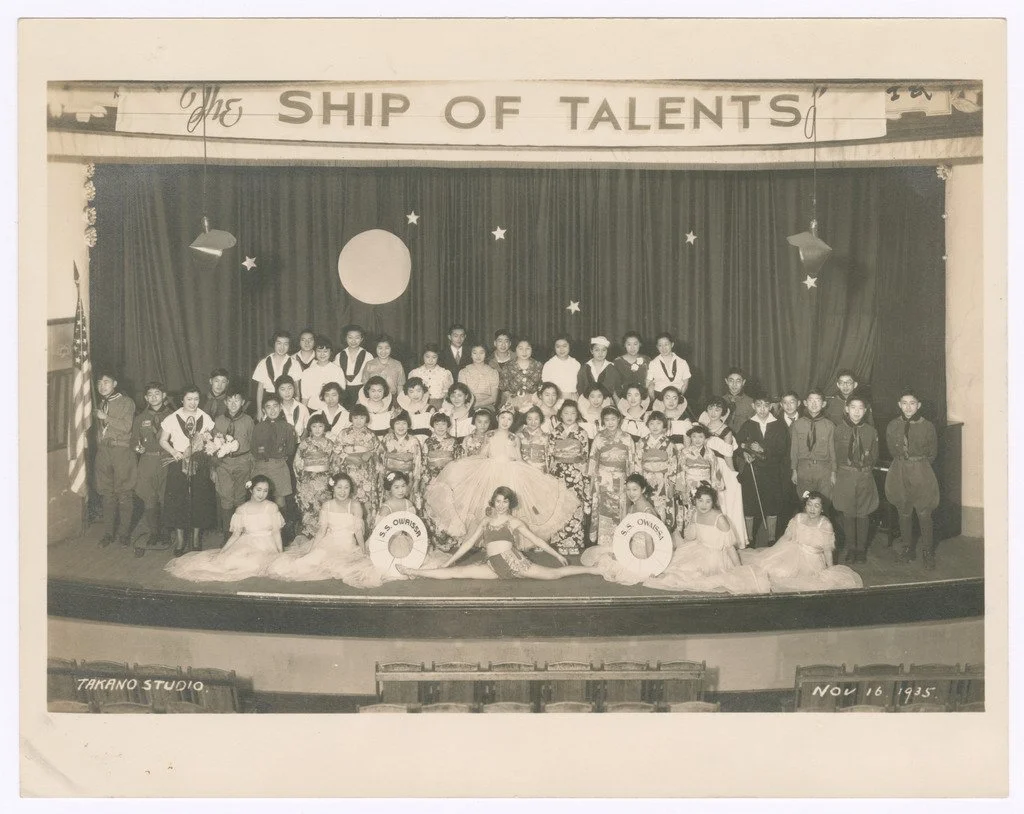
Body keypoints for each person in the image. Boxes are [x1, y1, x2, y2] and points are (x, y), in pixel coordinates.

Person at [423, 404, 579, 541]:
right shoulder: (489, 435)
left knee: (509, 504)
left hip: (511, 472)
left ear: (513, 422)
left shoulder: (514, 438)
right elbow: (483, 454)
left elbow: (519, 459)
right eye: (503, 418)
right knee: (488, 503)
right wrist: (464, 462)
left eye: (509, 419)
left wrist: (537, 473)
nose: (505, 422)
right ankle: (488, 537)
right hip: (490, 471)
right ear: (497, 418)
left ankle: (507, 536)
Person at [399, 487, 602, 581]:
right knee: (456, 572)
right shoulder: (486, 521)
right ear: (493, 502)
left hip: (514, 562)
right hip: (493, 565)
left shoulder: (514, 521)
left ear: (510, 503)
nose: (502, 505)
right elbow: (468, 544)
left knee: (553, 575)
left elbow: (536, 539)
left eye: (505, 501)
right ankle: (412, 572)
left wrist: (557, 555)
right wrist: (448, 562)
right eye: (498, 501)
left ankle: (595, 570)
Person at [266, 473, 389, 587]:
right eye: (339, 487)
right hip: (328, 542)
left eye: (346, 487)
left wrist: (363, 550)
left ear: (350, 489)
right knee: (305, 563)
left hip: (347, 545)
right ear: (333, 488)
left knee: (350, 569)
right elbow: (321, 531)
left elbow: (358, 531)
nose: (343, 491)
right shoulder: (327, 505)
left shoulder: (355, 505)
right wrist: (311, 549)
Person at [644, 485, 769, 594]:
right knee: (679, 566)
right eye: (700, 501)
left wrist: (739, 568)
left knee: (693, 574)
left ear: (713, 502)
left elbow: (730, 547)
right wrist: (683, 551)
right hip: (698, 548)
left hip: (715, 555)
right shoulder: (696, 514)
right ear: (695, 501)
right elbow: (690, 537)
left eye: (708, 501)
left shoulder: (719, 519)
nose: (703, 505)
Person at [165, 476, 284, 582]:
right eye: (258, 490)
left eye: (265, 491)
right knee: (230, 563)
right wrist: (222, 552)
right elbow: (236, 535)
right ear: (250, 489)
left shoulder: (271, 507)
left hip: (267, 544)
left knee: (261, 564)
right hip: (248, 543)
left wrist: (280, 552)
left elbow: (276, 533)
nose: (261, 494)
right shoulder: (242, 510)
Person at [740, 491, 863, 591]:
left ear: (822, 509)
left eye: (816, 506)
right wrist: (772, 553)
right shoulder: (799, 518)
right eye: (809, 504)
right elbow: (786, 537)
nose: (812, 509)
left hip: (812, 560)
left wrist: (829, 570)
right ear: (805, 506)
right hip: (793, 551)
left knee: (801, 580)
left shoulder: (825, 525)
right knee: (775, 570)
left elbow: (827, 551)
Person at [159, 384, 217, 556]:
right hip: (178, 463)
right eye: (189, 399)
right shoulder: (172, 418)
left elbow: (209, 439)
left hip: (199, 463)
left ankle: (196, 538)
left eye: (196, 399)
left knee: (198, 499)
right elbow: (163, 440)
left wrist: (204, 445)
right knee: (178, 500)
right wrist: (174, 452)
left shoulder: (204, 417)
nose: (193, 403)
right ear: (182, 399)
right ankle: (180, 539)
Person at [885, 390, 941, 568]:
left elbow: (932, 453)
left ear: (919, 405)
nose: (908, 407)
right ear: (899, 405)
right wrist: (904, 463)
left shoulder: (928, 426)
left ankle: (927, 552)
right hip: (899, 470)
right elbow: (892, 450)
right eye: (904, 403)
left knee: (924, 513)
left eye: (912, 403)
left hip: (921, 471)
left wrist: (918, 465)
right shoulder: (893, 425)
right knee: (904, 511)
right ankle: (907, 549)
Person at [734, 393, 790, 547]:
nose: (762, 409)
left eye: (766, 405)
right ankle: (750, 539)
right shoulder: (748, 424)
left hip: (772, 471)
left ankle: (771, 538)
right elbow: (737, 444)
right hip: (752, 471)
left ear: (771, 406)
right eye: (759, 405)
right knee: (750, 505)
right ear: (753, 406)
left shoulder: (779, 425)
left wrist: (762, 449)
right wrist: (744, 453)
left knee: (772, 504)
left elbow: (781, 449)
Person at [833, 394, 879, 563]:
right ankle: (851, 548)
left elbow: (875, 455)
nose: (857, 412)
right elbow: (835, 454)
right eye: (853, 407)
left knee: (863, 513)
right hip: (845, 475)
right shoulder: (838, 430)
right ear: (846, 409)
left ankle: (861, 549)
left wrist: (865, 469)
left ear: (865, 411)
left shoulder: (871, 431)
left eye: (861, 408)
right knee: (848, 513)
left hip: (864, 476)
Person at [93, 371, 137, 547]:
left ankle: (124, 533)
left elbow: (127, 427)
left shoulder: (126, 402)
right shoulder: (99, 404)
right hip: (104, 451)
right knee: (106, 493)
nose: (102, 386)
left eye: (106, 382)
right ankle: (108, 533)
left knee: (124, 492)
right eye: (99, 383)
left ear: (115, 383)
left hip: (121, 450)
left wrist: (106, 418)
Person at [583, 407, 635, 556]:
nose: (610, 422)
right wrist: (593, 480)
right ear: (603, 421)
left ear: (619, 419)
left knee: (621, 509)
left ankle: (622, 543)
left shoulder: (626, 438)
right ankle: (604, 544)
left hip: (621, 478)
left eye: (613, 419)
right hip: (603, 478)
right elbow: (593, 458)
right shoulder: (599, 437)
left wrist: (632, 480)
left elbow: (631, 460)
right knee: (604, 510)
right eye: (607, 419)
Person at [130, 380, 173, 552]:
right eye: (150, 395)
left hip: (166, 460)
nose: (154, 397)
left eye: (157, 394)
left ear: (163, 396)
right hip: (147, 461)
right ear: (146, 398)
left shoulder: (174, 416)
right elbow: (133, 439)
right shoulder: (141, 418)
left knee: (165, 497)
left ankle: (165, 532)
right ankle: (154, 532)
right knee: (149, 498)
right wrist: (136, 447)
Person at [546, 400, 592, 557]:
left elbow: (585, 455)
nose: (569, 416)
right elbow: (549, 455)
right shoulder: (554, 432)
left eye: (573, 413)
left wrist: (583, 476)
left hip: (576, 472)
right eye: (566, 413)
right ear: (560, 415)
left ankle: (574, 542)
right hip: (558, 473)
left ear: (577, 414)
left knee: (575, 508)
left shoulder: (582, 433)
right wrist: (550, 473)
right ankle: (560, 541)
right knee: (559, 507)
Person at [209, 385, 255, 534]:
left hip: (243, 462)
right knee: (226, 497)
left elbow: (252, 444)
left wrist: (252, 467)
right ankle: (228, 533)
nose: (233, 404)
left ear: (243, 402)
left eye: (237, 400)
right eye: (230, 400)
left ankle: (240, 532)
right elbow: (212, 447)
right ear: (225, 403)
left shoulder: (248, 420)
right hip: (224, 464)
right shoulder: (218, 421)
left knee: (240, 497)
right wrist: (213, 468)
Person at [332, 404, 381, 524]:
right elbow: (336, 451)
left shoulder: (371, 435)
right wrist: (348, 457)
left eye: (362, 418)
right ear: (351, 418)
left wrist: (370, 453)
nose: (358, 421)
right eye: (355, 418)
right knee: (348, 498)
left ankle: (366, 528)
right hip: (348, 472)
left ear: (366, 419)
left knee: (366, 500)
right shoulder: (343, 433)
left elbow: (379, 451)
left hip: (366, 473)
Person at [420, 413, 462, 551]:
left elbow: (457, 462)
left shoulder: (454, 442)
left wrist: (453, 480)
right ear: (432, 426)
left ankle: (448, 539)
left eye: (443, 424)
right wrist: (427, 480)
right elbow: (424, 462)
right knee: (432, 508)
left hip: (449, 479)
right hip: (432, 478)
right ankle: (434, 538)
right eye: (437, 424)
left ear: (448, 425)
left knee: (448, 508)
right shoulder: (428, 442)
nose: (440, 427)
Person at [251, 394, 297, 513]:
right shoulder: (258, 427)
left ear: (280, 407)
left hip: (279, 466)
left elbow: (290, 449)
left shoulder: (288, 428)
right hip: (261, 466)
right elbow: (254, 449)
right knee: (259, 498)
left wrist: (279, 456)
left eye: (275, 406)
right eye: (268, 407)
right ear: (263, 410)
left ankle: (281, 529)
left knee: (280, 500)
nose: (272, 410)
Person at [292, 414, 335, 540]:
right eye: (314, 426)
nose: (317, 429)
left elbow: (334, 462)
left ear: (325, 427)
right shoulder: (304, 444)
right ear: (310, 428)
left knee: (323, 507)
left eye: (320, 426)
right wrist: (301, 479)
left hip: (324, 480)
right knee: (308, 509)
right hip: (307, 481)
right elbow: (297, 462)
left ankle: (324, 534)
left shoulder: (329, 444)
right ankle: (309, 534)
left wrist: (332, 479)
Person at [790, 387, 836, 501]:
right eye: (811, 400)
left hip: (824, 470)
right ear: (805, 403)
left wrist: (834, 472)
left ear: (824, 404)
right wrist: (794, 471)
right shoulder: (797, 425)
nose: (814, 403)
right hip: (803, 470)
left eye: (818, 400)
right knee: (805, 503)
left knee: (823, 504)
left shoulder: (830, 426)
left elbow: (833, 451)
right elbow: (794, 450)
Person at [635, 411, 678, 529]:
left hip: (663, 480)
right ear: (648, 425)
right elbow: (638, 462)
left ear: (664, 425)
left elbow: (673, 464)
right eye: (652, 423)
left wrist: (671, 484)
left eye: (658, 423)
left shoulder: (669, 444)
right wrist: (638, 482)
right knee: (646, 506)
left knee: (662, 507)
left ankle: (662, 535)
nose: (655, 426)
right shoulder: (642, 442)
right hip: (645, 479)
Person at [379, 411, 423, 505]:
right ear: (393, 425)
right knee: (390, 504)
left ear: (408, 425)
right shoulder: (387, 439)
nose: (401, 426)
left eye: (404, 423)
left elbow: (418, 462)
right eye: (397, 423)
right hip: (390, 476)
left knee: (407, 504)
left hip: (408, 477)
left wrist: (416, 481)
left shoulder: (413, 441)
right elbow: (381, 459)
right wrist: (381, 477)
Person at [252, 331, 294, 417]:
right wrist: (259, 410)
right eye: (279, 343)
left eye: (285, 344)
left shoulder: (294, 363)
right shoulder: (264, 363)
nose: (282, 347)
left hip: (286, 401)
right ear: (274, 344)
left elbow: (296, 389)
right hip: (269, 400)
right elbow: (260, 389)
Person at [299, 336, 345, 412]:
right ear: (315, 352)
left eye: (325, 351)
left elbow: (340, 396)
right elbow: (305, 398)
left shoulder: (338, 370)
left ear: (330, 352)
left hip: (332, 410)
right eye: (319, 351)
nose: (322, 354)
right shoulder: (307, 372)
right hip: (312, 410)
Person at [334, 324, 374, 409]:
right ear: (345, 338)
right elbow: (336, 376)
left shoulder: (368, 356)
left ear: (361, 339)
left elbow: (371, 377)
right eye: (350, 337)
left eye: (357, 337)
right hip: (344, 391)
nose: (353, 341)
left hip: (362, 390)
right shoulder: (339, 356)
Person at [500, 339, 544, 412]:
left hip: (533, 404)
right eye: (520, 348)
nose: (524, 352)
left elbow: (541, 387)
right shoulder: (508, 366)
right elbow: (504, 389)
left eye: (528, 348)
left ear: (532, 349)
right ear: (515, 349)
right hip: (513, 405)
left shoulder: (538, 366)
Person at [409, 343, 455, 410]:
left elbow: (447, 393)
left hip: (439, 406)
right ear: (422, 356)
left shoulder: (445, 373)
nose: (430, 360)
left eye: (434, 357)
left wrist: (444, 408)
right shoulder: (415, 373)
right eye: (427, 357)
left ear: (438, 357)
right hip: (419, 407)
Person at [646, 332, 691, 401]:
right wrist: (653, 400)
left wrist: (678, 398)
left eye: (666, 344)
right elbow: (648, 383)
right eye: (660, 345)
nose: (663, 348)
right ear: (657, 347)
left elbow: (685, 384)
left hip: (677, 397)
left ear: (672, 344)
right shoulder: (653, 363)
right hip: (659, 398)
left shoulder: (682, 362)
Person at [576, 336, 622, 400]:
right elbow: (580, 388)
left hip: (607, 404)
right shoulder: (584, 368)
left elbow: (618, 389)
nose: (600, 353)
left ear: (607, 351)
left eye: (603, 350)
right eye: (597, 350)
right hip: (587, 404)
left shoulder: (612, 369)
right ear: (591, 351)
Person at [362, 334, 406, 399]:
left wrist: (400, 402)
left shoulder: (397, 364)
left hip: (392, 399)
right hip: (374, 399)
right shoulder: (369, 364)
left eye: (387, 348)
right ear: (375, 348)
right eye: (380, 348)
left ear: (391, 348)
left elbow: (400, 385)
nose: (383, 351)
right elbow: (365, 386)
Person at [459, 343, 500, 411]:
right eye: (474, 353)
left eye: (481, 353)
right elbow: (462, 395)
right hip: (467, 406)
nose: (478, 356)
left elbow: (493, 398)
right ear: (471, 355)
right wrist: (469, 406)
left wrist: (476, 405)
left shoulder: (493, 372)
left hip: (487, 406)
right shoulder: (463, 372)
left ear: (486, 354)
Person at [541, 336, 581, 403]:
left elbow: (579, 385)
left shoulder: (576, 364)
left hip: (573, 400)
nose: (561, 349)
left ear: (569, 346)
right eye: (558, 346)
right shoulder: (549, 365)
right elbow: (546, 386)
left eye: (564, 346)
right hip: (554, 400)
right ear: (554, 348)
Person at [396, 376, 435, 441]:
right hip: (409, 443)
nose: (415, 395)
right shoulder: (404, 410)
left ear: (424, 391)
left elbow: (434, 429)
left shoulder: (430, 409)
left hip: (427, 441)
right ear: (407, 393)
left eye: (418, 391)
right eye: (411, 392)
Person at [613, 331, 649, 399]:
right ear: (624, 345)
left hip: (644, 399)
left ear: (640, 344)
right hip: (623, 399)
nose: (632, 348)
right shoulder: (617, 362)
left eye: (635, 344)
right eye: (629, 344)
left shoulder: (646, 360)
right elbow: (614, 386)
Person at [275, 374, 309, 440]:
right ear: (278, 391)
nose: (287, 392)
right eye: (283, 389)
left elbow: (306, 429)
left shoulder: (302, 408)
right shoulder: (275, 408)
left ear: (294, 389)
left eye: (290, 388)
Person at [517, 406, 550, 473]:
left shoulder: (546, 437)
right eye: (529, 419)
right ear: (525, 420)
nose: (533, 422)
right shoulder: (519, 436)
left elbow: (548, 456)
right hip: (523, 469)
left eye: (536, 419)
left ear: (540, 420)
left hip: (540, 469)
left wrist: (547, 470)